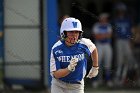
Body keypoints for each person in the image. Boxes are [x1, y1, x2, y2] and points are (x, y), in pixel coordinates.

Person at [50, 17, 99, 93]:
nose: (74, 35)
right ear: (64, 33)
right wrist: (68, 69)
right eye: (71, 32)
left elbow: (94, 48)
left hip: (77, 86)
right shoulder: (56, 48)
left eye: (76, 32)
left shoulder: (84, 43)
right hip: (59, 84)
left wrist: (95, 67)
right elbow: (56, 74)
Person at [112, 2, 137, 86]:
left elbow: (132, 32)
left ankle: (129, 79)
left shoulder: (128, 19)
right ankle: (118, 78)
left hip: (127, 41)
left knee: (130, 61)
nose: (121, 11)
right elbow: (113, 33)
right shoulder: (115, 20)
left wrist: (132, 42)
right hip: (119, 41)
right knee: (119, 60)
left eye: (122, 10)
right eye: (119, 10)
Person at [91, 13, 113, 87]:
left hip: (107, 45)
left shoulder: (108, 25)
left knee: (108, 63)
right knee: (97, 63)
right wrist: (104, 35)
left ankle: (108, 80)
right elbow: (96, 36)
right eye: (104, 18)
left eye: (106, 18)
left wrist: (102, 35)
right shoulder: (96, 25)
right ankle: (95, 80)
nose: (105, 19)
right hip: (99, 45)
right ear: (101, 18)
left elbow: (110, 35)